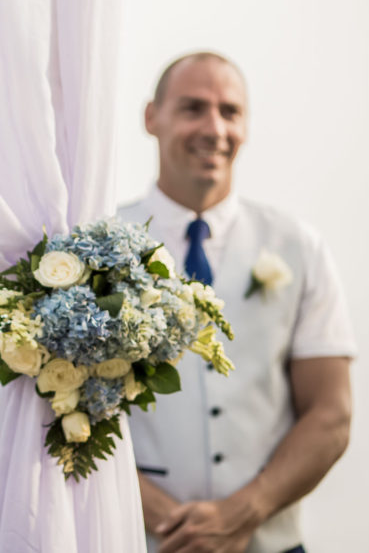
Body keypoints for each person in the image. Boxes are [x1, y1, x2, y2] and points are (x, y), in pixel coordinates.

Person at [119, 52, 355, 553]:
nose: (214, 128)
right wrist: (162, 519)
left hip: (270, 542)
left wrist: (242, 512)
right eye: (192, 108)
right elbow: (54, 414)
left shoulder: (299, 245)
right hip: (135, 541)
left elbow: (331, 413)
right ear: (151, 117)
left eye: (230, 111)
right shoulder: (98, 247)